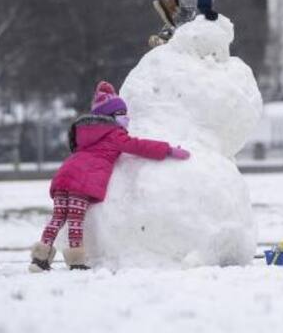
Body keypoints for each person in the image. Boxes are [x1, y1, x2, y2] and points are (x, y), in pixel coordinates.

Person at [30, 81, 191, 271]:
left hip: (64, 175)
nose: (126, 118)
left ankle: (40, 259)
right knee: (75, 220)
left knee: (58, 218)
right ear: (110, 116)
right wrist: (168, 150)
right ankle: (76, 262)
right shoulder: (114, 134)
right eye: (121, 114)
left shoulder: (87, 133)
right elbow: (138, 146)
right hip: (82, 181)